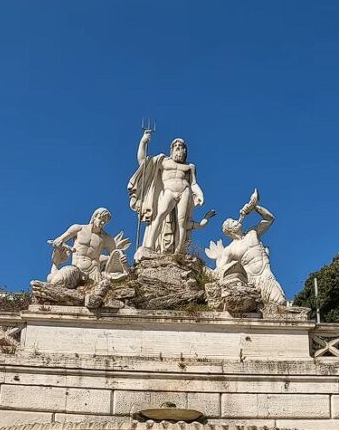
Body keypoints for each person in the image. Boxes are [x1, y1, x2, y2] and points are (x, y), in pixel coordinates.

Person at [128, 129, 204, 259]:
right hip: (168, 190)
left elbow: (193, 184)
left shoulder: (190, 167)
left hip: (184, 190)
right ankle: (149, 246)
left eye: (180, 146)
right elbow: (143, 163)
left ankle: (179, 251)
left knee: (181, 221)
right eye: (175, 146)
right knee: (160, 215)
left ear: (184, 150)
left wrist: (200, 194)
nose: (178, 148)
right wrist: (143, 142)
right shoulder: (163, 161)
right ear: (172, 149)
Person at [206, 192, 286, 305]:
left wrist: (254, 208)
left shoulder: (252, 232)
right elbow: (220, 269)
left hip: (266, 275)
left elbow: (269, 219)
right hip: (251, 280)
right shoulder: (230, 249)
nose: (236, 221)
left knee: (279, 301)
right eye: (233, 222)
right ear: (230, 230)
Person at [46, 208, 129, 288]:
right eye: (101, 219)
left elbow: (115, 255)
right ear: (95, 216)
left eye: (105, 221)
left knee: (103, 289)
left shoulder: (107, 239)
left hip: (94, 273)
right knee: (59, 280)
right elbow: (60, 240)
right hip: (76, 269)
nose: (103, 222)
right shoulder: (78, 229)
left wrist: (122, 260)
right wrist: (58, 243)